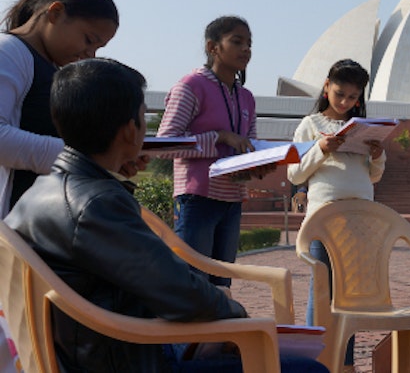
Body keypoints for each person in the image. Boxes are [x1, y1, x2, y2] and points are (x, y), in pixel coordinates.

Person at [4, 58, 328, 373]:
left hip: (88, 353)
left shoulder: (41, 192)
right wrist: (240, 316)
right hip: (128, 359)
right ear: (131, 131)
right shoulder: (97, 202)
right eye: (144, 118)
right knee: (307, 368)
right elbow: (179, 293)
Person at [287, 58, 386, 373]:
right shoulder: (311, 124)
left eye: (352, 97)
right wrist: (321, 149)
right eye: (339, 93)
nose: (345, 102)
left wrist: (378, 155)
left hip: (359, 218)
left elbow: (373, 177)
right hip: (324, 217)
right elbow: (294, 173)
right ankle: (312, 362)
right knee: (322, 288)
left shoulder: (362, 128)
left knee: (349, 295)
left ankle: (344, 364)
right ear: (327, 85)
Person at [157, 15, 270, 288]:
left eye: (249, 43)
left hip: (232, 201)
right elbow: (164, 144)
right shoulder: (191, 86)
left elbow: (248, 145)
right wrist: (221, 137)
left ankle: (218, 334)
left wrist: (257, 165)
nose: (246, 49)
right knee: (193, 283)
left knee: (221, 285)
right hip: (197, 200)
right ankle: (188, 334)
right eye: (237, 41)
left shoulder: (246, 97)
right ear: (213, 47)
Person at [0, 0, 119, 216]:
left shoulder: (52, 68)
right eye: (88, 40)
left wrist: (113, 159)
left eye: (98, 48)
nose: (90, 54)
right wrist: (84, 159)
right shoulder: (9, 53)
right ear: (55, 13)